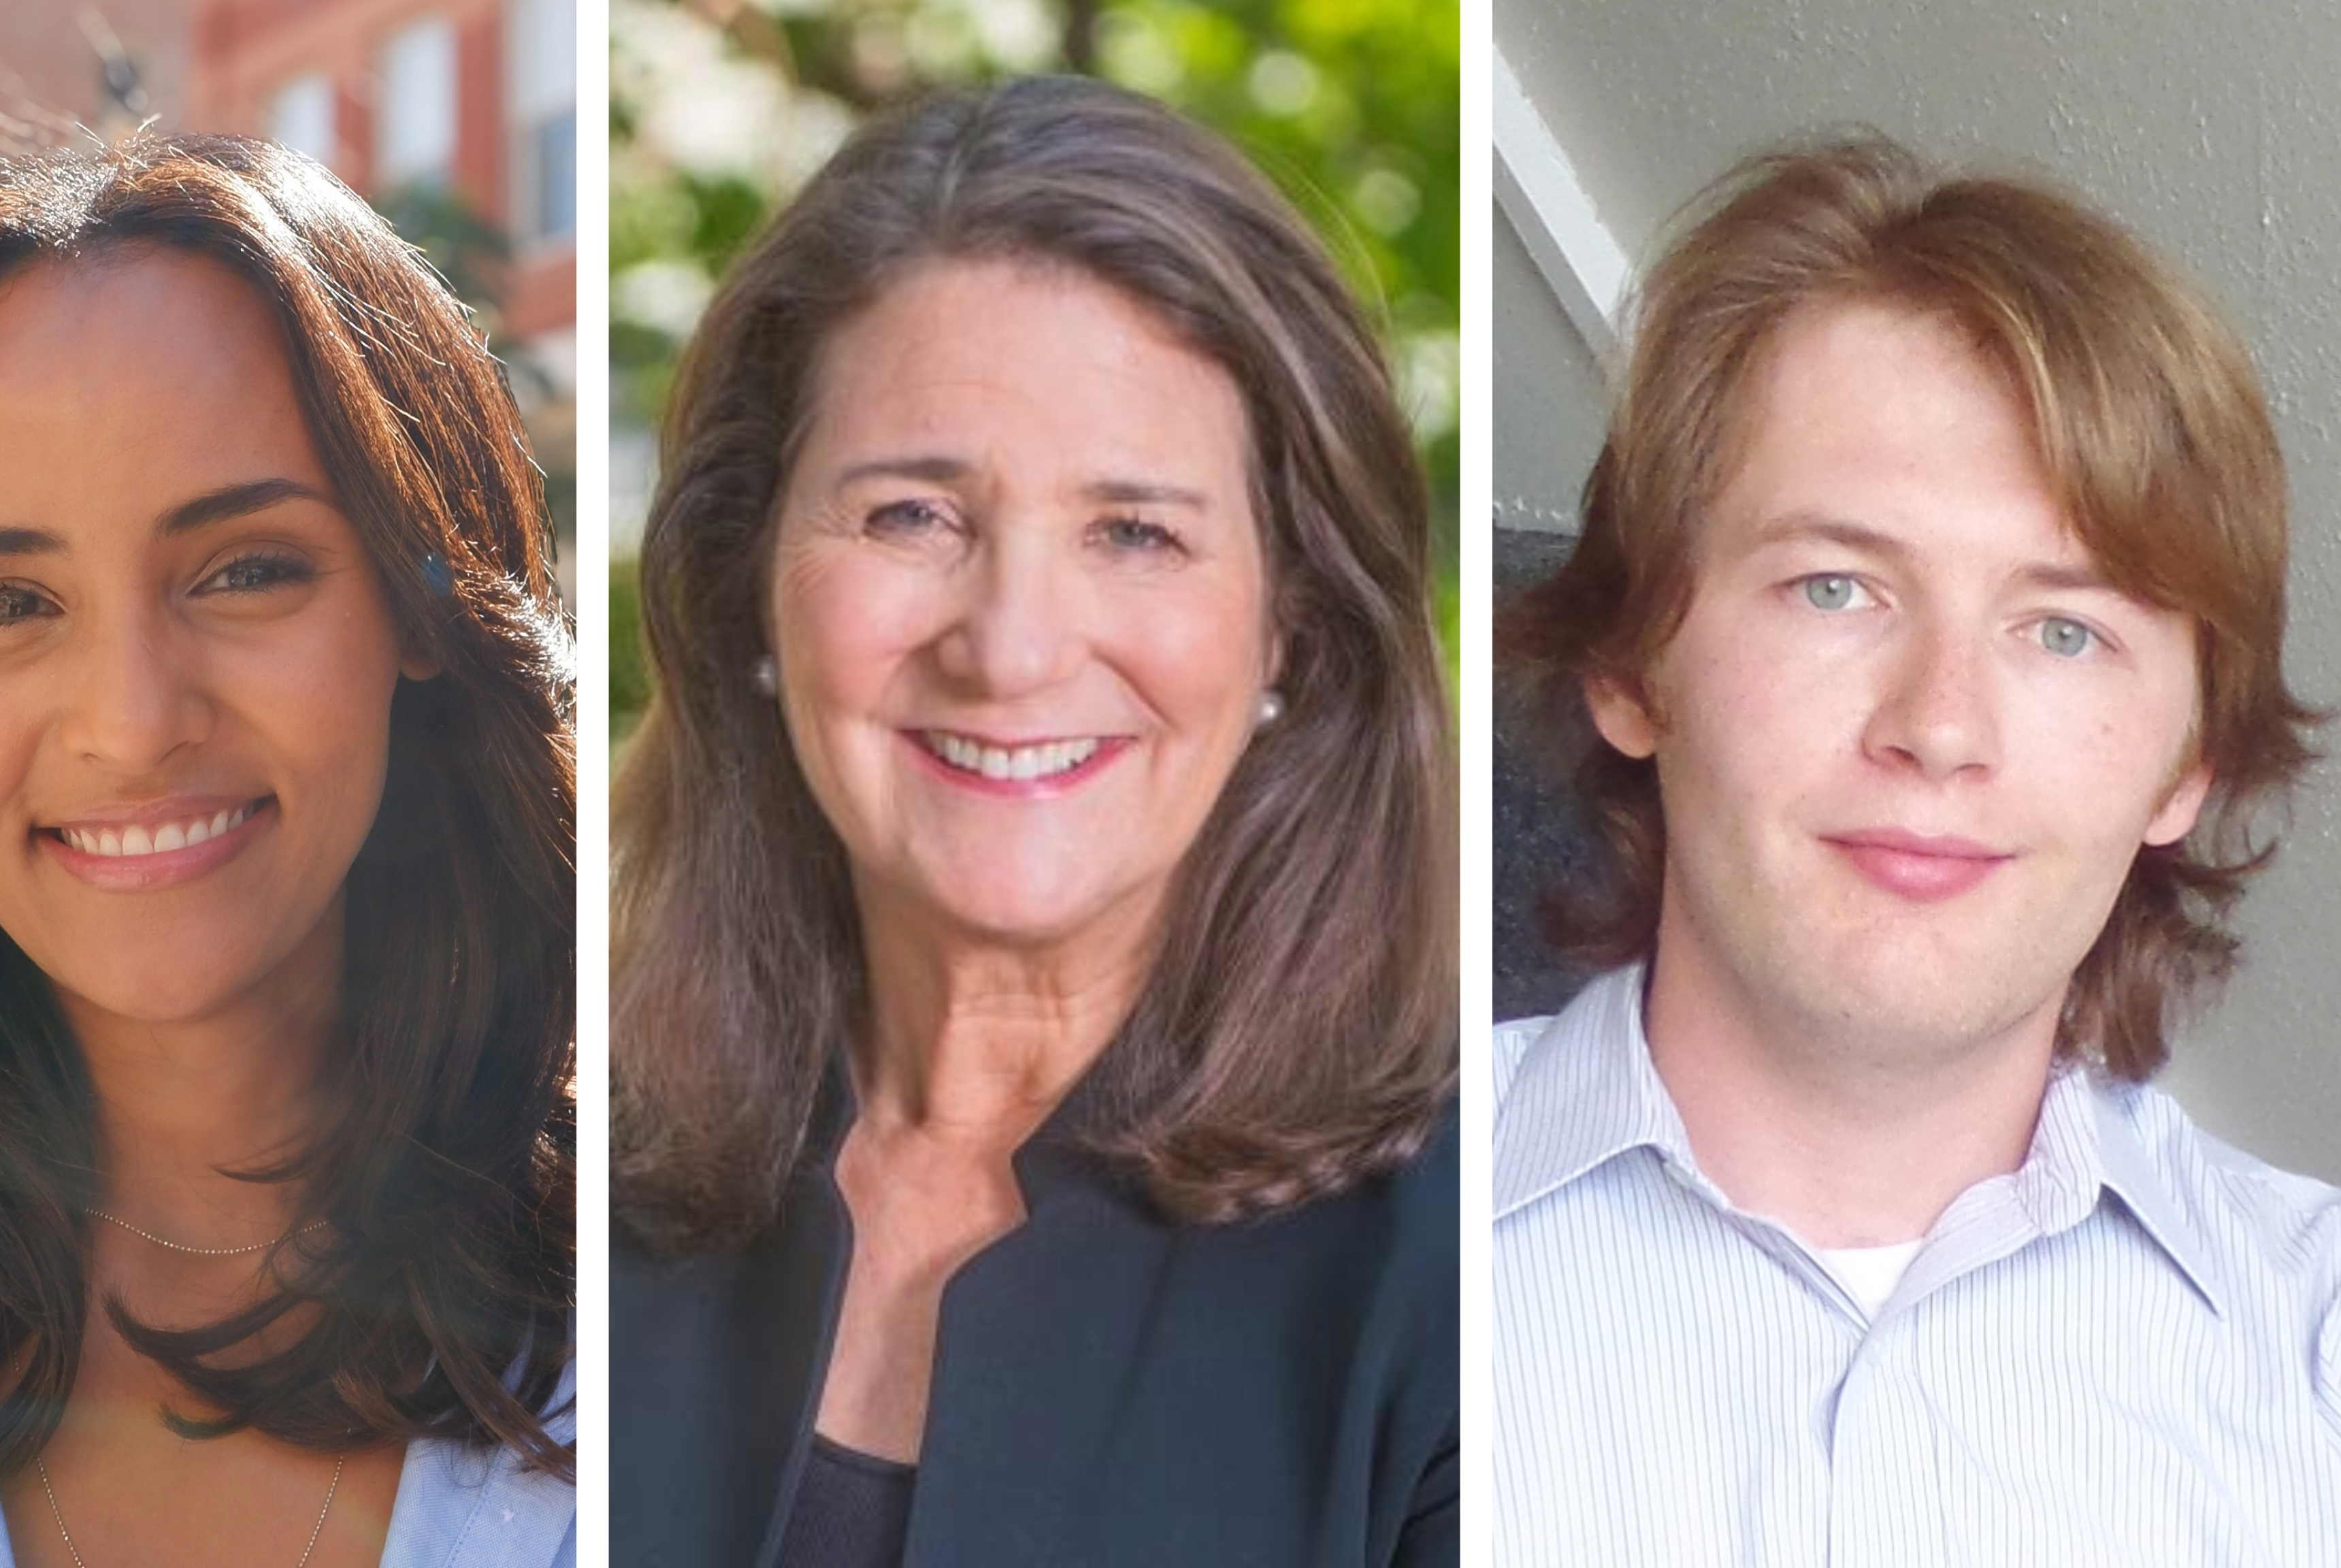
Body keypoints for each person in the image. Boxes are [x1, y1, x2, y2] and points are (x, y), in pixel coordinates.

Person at [611, 76, 1458, 1566]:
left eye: (1135, 533)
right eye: (911, 517)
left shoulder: (1468, 1279)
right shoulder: (549, 1170)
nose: (1009, 647)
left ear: (1291, 632)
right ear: (748, 584)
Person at [0, 133, 574, 1567]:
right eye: (2, 601)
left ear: (420, 613)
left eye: (247, 570)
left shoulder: (645, 1297)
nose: (131, 725)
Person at [1495, 132, 2341, 1562]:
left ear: (2188, 763)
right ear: (1635, 667)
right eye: (1837, 588)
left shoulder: (2313, 1346)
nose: (1940, 727)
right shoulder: (1371, 1241)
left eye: (2063, 628)